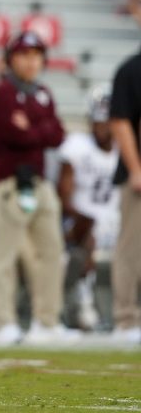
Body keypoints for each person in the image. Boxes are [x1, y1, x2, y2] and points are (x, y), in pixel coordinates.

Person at [0, 31, 68, 344]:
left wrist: (33, 128)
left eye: (36, 55)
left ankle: (46, 321)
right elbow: (11, 134)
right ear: (11, 59)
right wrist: (41, 130)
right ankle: (2, 321)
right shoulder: (2, 93)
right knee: (3, 255)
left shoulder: (43, 92)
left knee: (51, 251)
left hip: (40, 182)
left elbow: (57, 134)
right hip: (9, 181)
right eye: (24, 55)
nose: (31, 62)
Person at [57, 86, 119, 331]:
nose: (102, 128)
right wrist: (84, 219)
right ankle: (85, 306)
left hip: (116, 221)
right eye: (98, 122)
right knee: (89, 233)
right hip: (80, 222)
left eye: (107, 122)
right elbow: (63, 194)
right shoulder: (77, 145)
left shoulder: (126, 149)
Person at [109, 44, 141, 342]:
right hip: (138, 178)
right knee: (131, 249)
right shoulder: (131, 68)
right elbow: (120, 120)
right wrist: (135, 168)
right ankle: (126, 319)